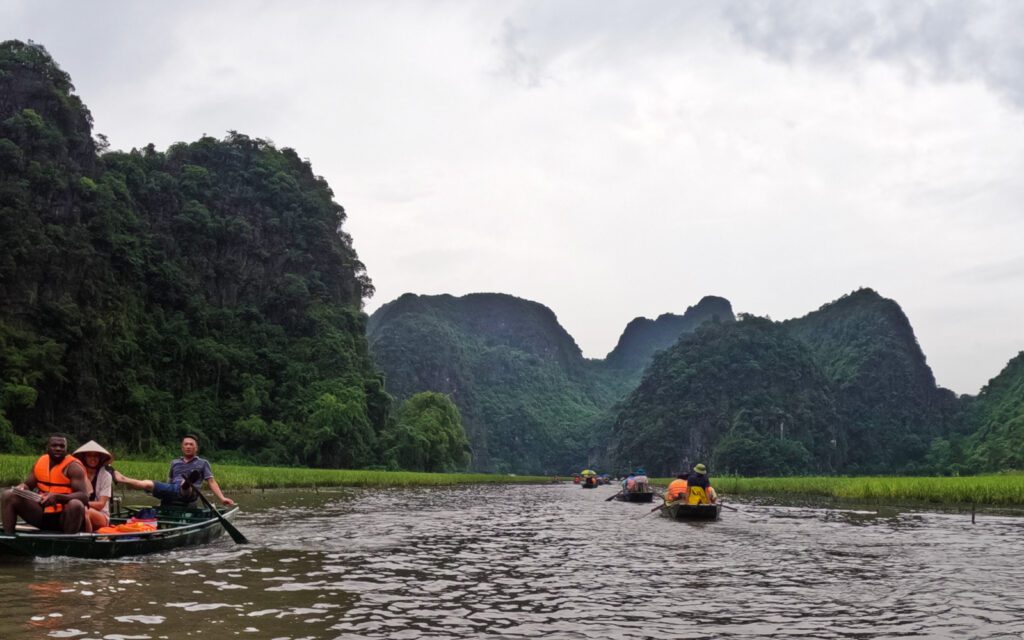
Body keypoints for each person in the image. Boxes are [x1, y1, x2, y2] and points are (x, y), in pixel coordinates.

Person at [114, 435, 235, 507]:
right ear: (182, 448)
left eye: (191, 444)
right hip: (173, 488)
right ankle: (122, 479)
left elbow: (212, 482)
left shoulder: (203, 463)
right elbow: (169, 481)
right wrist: (163, 494)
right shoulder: (175, 462)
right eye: (186, 444)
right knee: (147, 483)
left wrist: (222, 498)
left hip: (191, 493)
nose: (188, 446)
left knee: (185, 486)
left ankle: (188, 481)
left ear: (196, 448)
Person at [1, 434, 89, 534]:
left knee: (76, 504)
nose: (58, 448)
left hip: (65, 518)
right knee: (8, 494)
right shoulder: (41, 462)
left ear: (66, 448)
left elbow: (84, 496)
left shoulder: (74, 467)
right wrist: (22, 487)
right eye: (54, 445)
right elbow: (28, 485)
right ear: (47, 447)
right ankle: (9, 537)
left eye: (62, 446)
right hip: (41, 514)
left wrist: (58, 497)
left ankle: (67, 542)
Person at [73, 440, 114, 533]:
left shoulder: (106, 476)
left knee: (83, 509)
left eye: (96, 456)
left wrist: (80, 504)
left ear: (100, 458)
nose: (93, 458)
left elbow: (101, 504)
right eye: (89, 455)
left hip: (101, 515)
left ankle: (88, 538)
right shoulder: (77, 473)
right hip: (79, 508)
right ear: (85, 457)